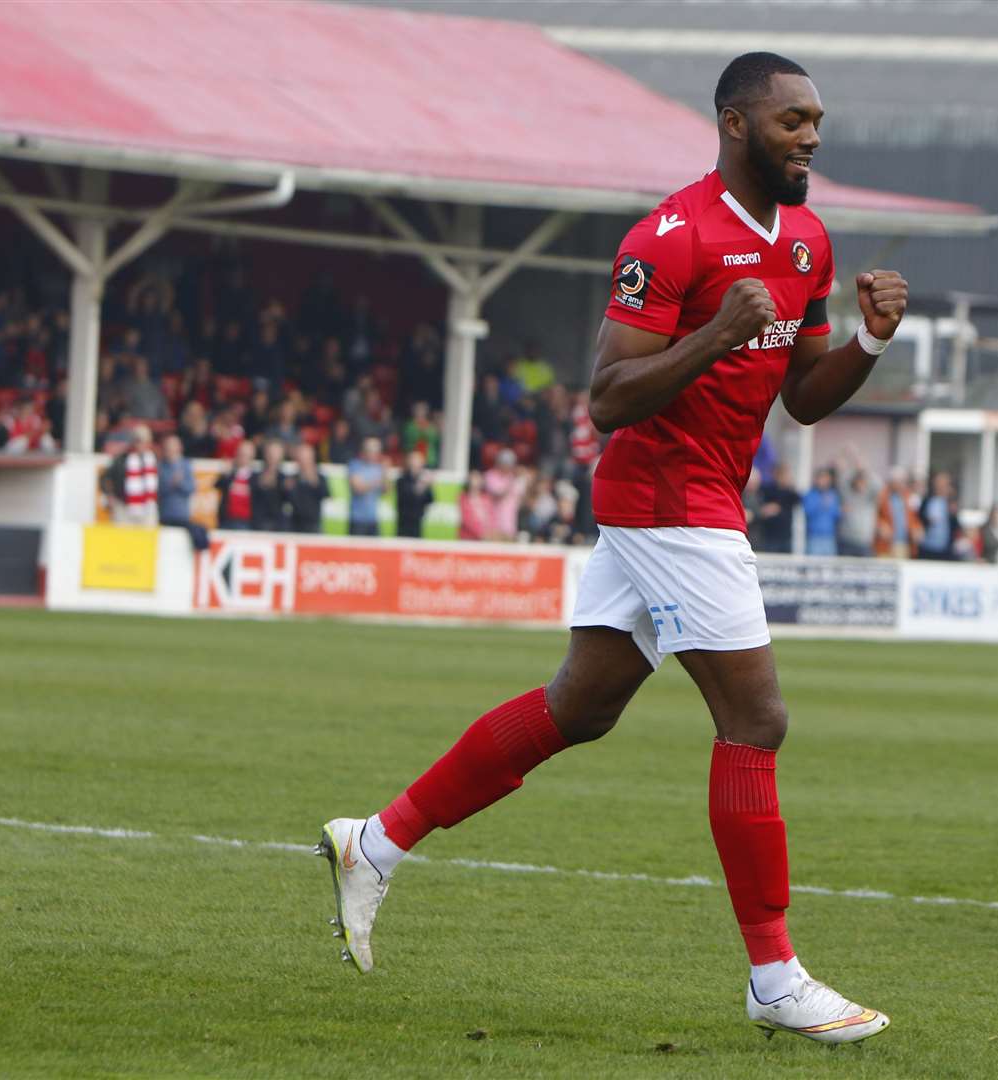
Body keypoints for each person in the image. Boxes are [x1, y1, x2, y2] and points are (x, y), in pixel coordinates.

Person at [315, 52, 904, 1044]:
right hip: (668, 499)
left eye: (816, 120)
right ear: (735, 123)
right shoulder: (668, 238)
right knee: (756, 722)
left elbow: (802, 397)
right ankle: (773, 975)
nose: (810, 135)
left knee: (578, 707)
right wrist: (717, 333)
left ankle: (375, 842)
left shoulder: (807, 242)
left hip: (700, 499)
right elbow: (606, 397)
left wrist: (870, 343)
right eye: (793, 119)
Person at [106, 424, 159, 526]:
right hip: (124, 507)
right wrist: (110, 495)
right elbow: (106, 478)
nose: (140, 444)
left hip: (148, 509)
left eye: (144, 440)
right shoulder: (122, 459)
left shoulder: (154, 459)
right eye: (138, 440)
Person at [346, 437, 386, 537]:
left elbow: (385, 490)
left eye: (376, 451)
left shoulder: (378, 468)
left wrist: (385, 473)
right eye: (371, 451)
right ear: (364, 451)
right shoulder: (355, 465)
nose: (374, 454)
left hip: (373, 519)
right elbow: (358, 488)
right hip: (358, 519)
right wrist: (376, 482)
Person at [756, 464, 799, 554]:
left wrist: (791, 485)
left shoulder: (790, 492)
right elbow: (761, 507)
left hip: (786, 535)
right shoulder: (768, 490)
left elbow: (798, 500)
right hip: (770, 536)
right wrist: (768, 508)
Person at [215, 440, 258, 530]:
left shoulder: (256, 478)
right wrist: (226, 474)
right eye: (241, 454)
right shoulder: (230, 474)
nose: (243, 457)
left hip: (246, 522)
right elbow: (217, 485)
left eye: (245, 455)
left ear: (252, 456)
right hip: (226, 520)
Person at [287, 443, 329, 534]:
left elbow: (326, 494)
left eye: (306, 458)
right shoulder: (292, 479)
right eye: (301, 458)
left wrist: (314, 481)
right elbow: (286, 500)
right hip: (295, 525)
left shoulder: (319, 478)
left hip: (314, 524)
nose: (304, 461)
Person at [800, 466, 841, 556]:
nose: (824, 481)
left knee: (829, 567)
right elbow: (808, 511)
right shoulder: (810, 494)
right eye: (822, 478)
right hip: (814, 537)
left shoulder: (833, 495)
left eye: (826, 478)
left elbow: (836, 514)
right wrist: (821, 504)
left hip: (829, 538)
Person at [251, 440, 290, 532]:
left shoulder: (285, 479)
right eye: (271, 453)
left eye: (276, 453)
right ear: (265, 454)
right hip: (257, 525)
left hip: (278, 526)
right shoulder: (255, 476)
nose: (273, 457)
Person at [917, 472, 957, 559]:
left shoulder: (950, 502)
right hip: (927, 546)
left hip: (945, 548)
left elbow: (955, 524)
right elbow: (919, 519)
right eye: (939, 482)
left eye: (944, 483)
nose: (941, 485)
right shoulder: (927, 500)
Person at [396, 451, 435, 539]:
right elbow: (410, 496)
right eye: (414, 460)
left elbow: (431, 500)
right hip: (404, 522)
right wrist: (423, 484)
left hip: (418, 522)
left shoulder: (423, 479)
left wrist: (429, 486)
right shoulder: (402, 480)